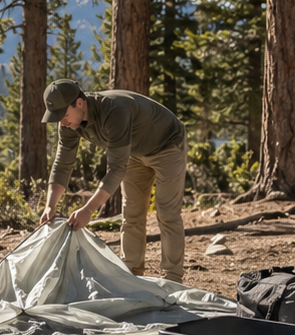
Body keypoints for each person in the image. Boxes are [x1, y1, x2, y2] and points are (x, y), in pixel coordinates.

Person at [37, 79, 187, 282]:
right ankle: (131, 273)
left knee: (167, 212)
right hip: (132, 152)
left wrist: (88, 210)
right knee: (132, 211)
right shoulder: (69, 124)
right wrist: (50, 205)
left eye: (63, 115)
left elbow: (116, 169)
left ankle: (173, 278)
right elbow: (62, 164)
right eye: (56, 117)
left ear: (79, 103)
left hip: (167, 145)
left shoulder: (115, 111)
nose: (61, 122)